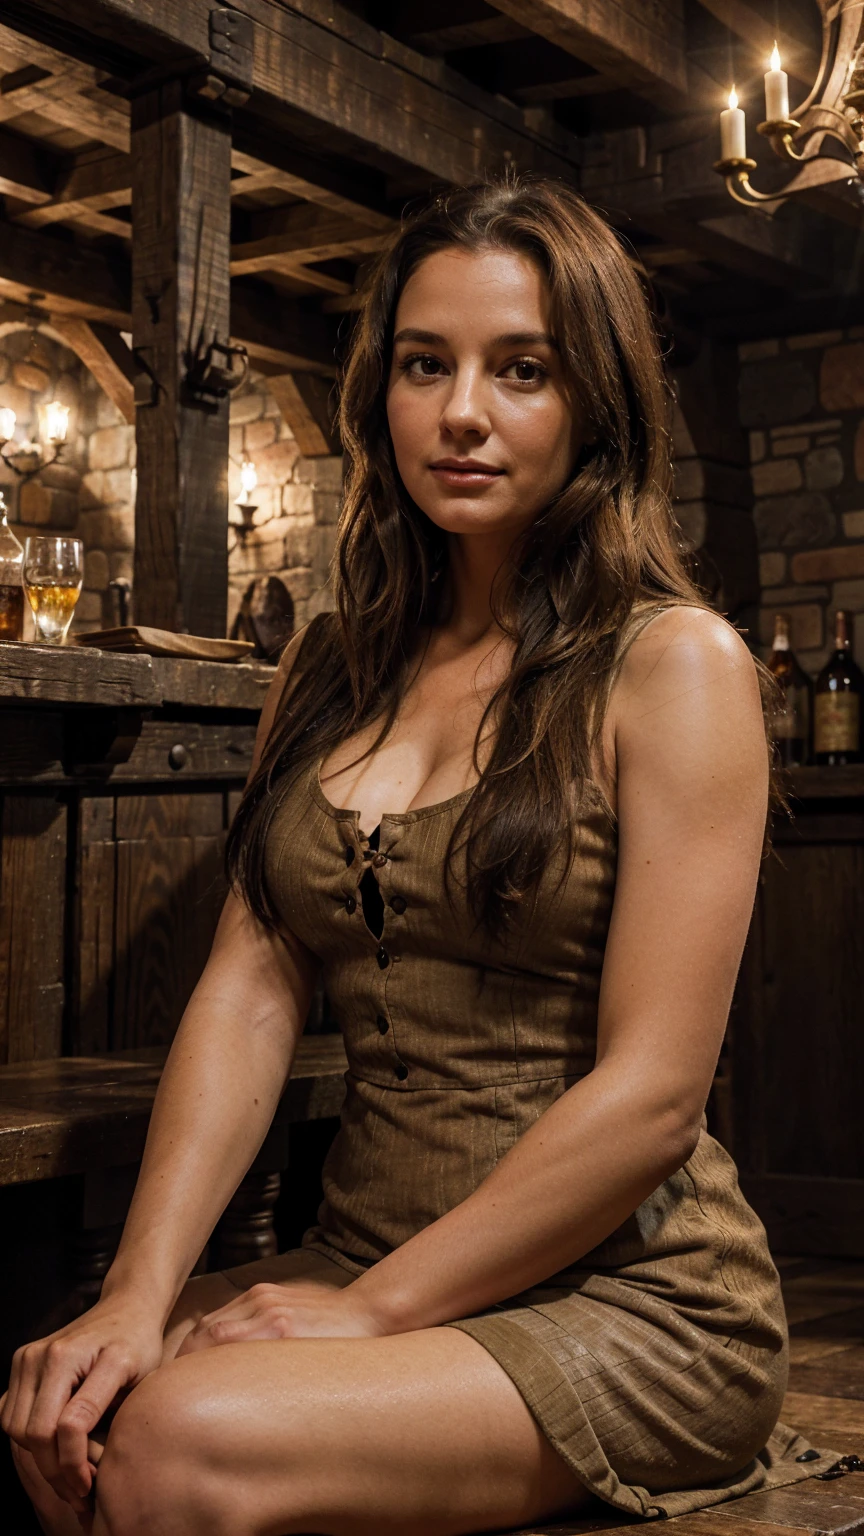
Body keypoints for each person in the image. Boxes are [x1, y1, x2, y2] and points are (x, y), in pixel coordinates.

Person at [2, 176, 832, 1536]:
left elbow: (653, 1098)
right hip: (360, 1249)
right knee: (65, 1398)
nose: (461, 413)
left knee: (176, 1445)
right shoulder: (330, 670)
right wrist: (141, 1289)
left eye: (522, 371)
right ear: (377, 394)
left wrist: (368, 1312)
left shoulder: (674, 666)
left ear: (598, 403)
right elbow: (247, 994)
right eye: (423, 364)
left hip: (631, 1299)